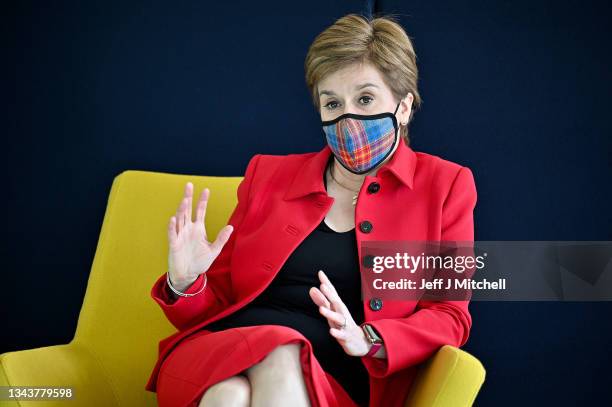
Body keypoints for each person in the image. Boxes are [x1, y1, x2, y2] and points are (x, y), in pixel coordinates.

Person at [145, 13, 477, 407]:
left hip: (332, 379)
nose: (347, 117)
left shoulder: (445, 186)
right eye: (332, 103)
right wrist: (186, 283)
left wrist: (369, 339)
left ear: (403, 107)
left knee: (230, 396)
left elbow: (449, 315)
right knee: (265, 360)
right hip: (221, 353)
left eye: (365, 98)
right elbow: (211, 307)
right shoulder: (267, 174)